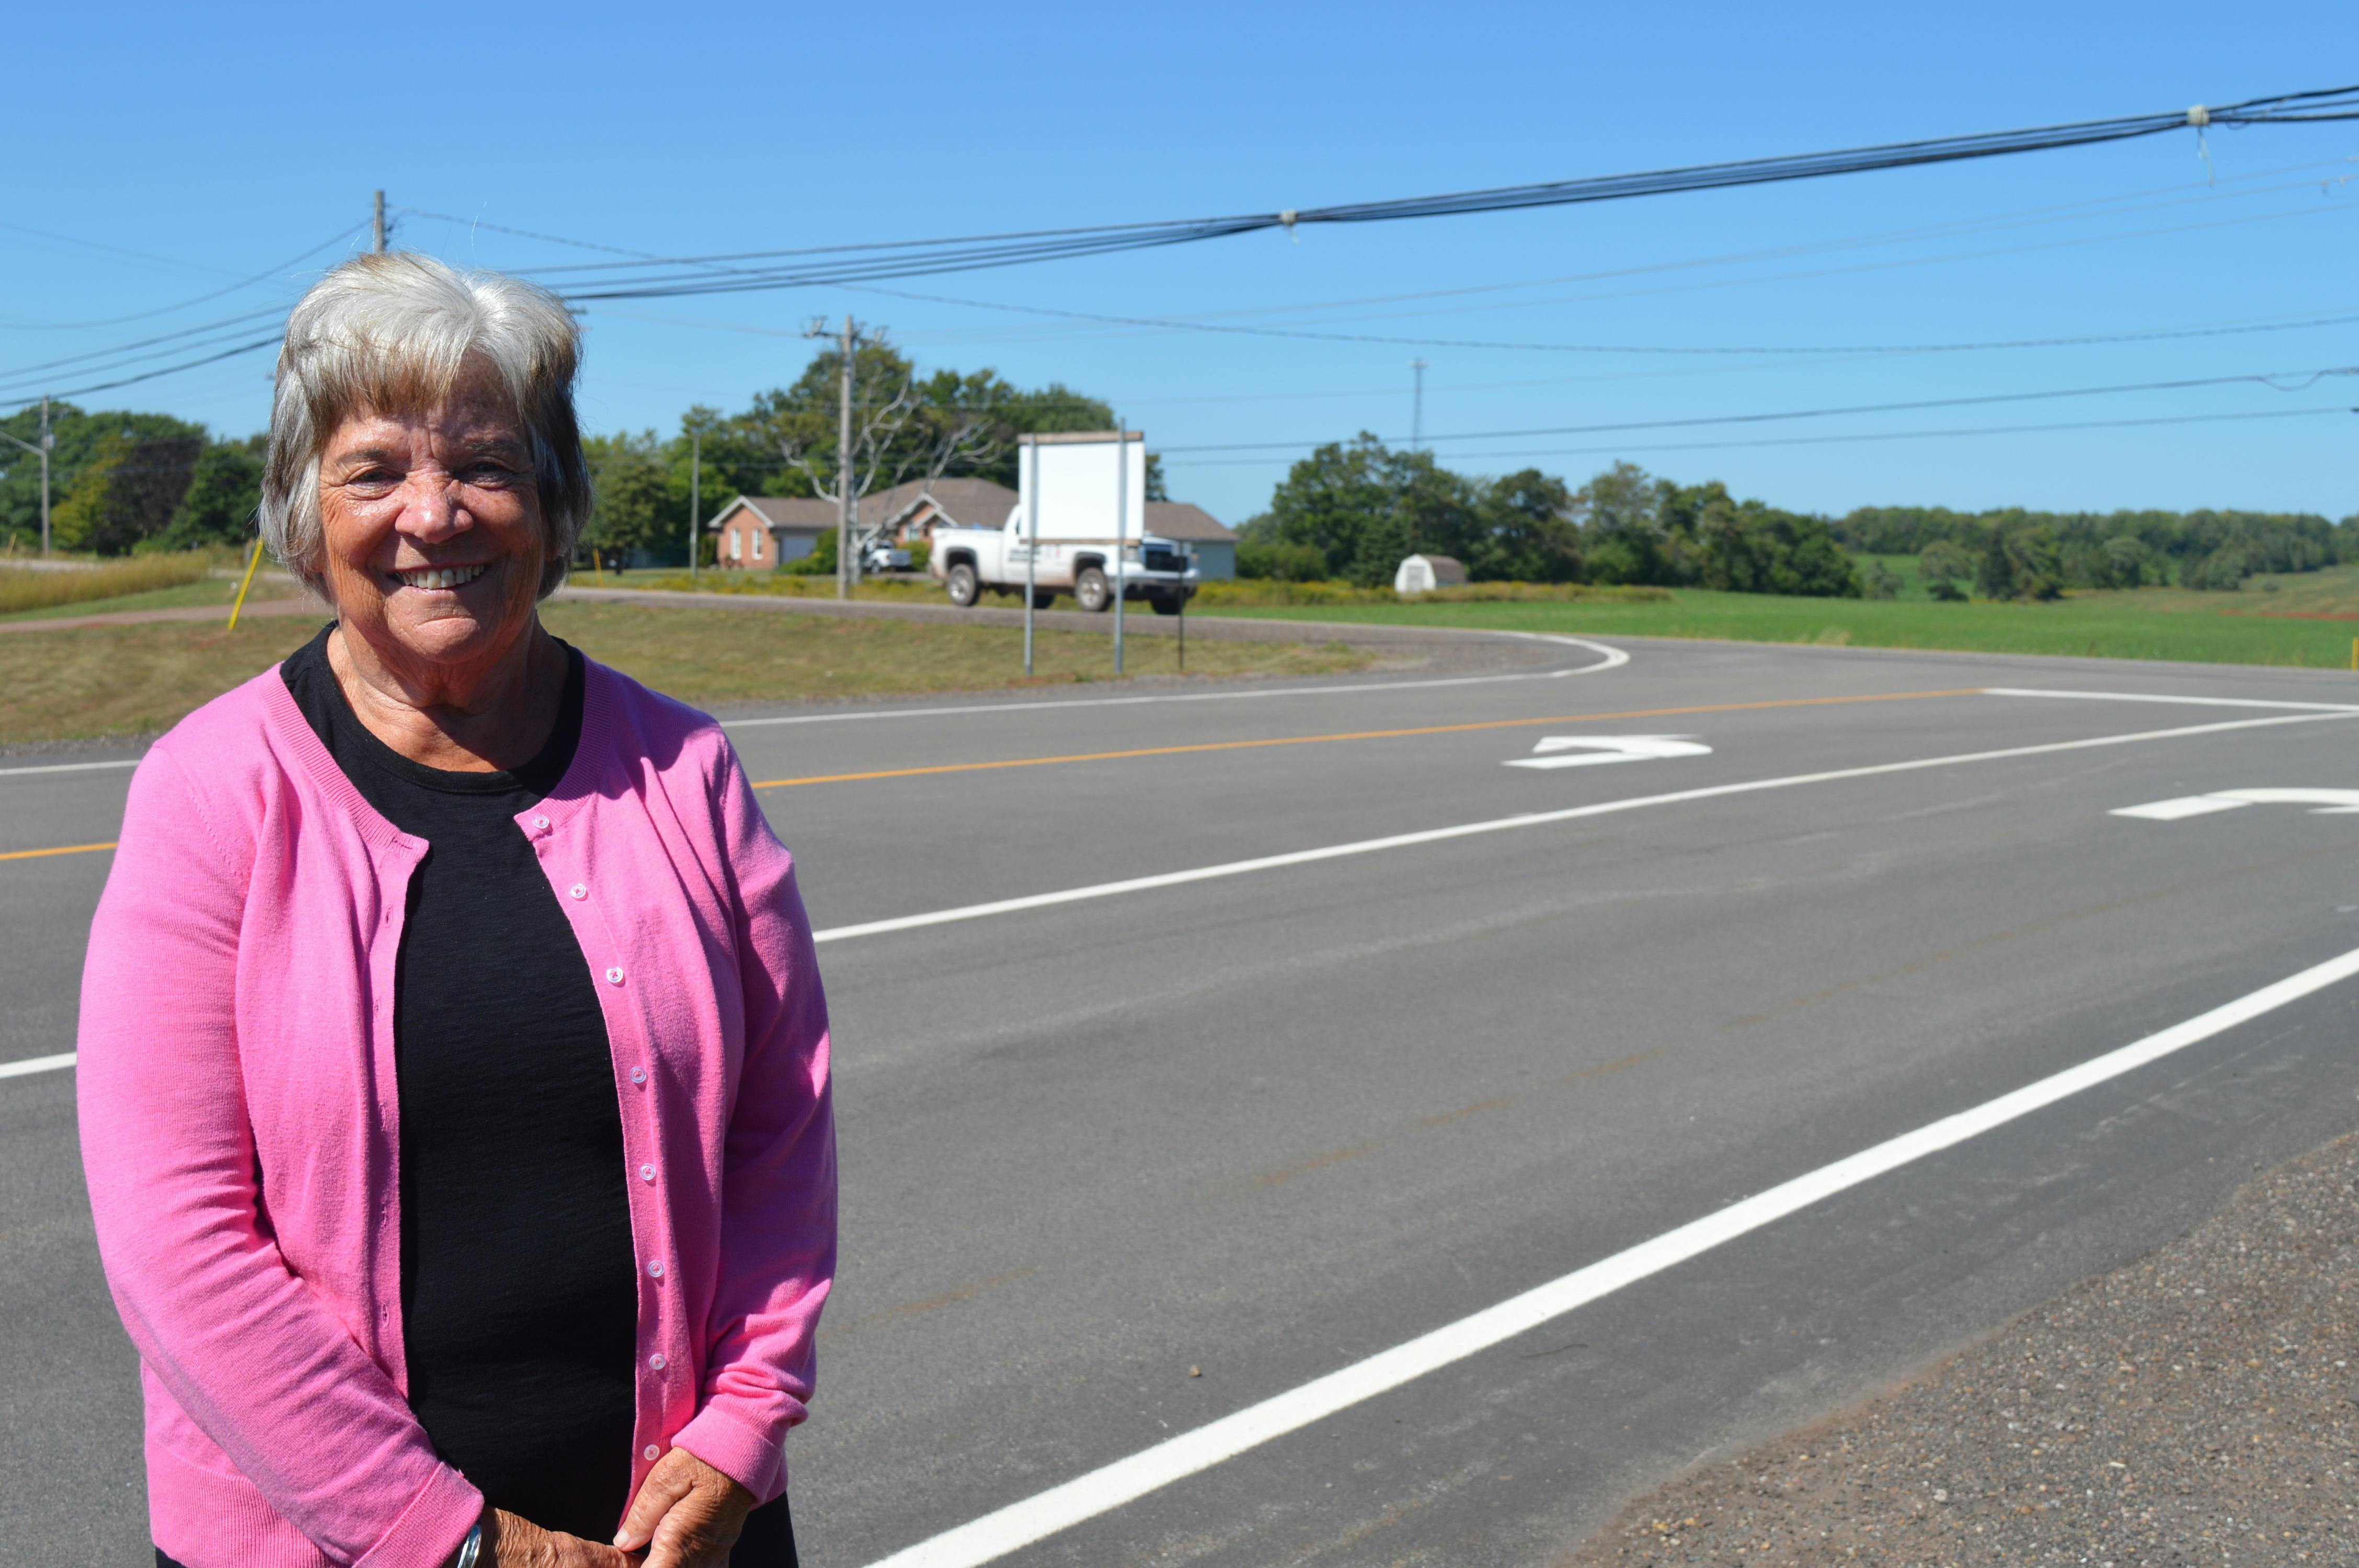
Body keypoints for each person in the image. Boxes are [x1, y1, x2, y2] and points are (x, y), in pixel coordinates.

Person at [76, 252, 836, 1568]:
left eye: (487, 464)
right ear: (306, 517)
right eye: (374, 470)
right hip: (323, 1540)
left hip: (679, 1529)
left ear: (554, 501)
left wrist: (744, 1429)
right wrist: (462, 1543)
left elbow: (780, 1133)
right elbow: (177, 1242)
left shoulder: (687, 772)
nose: (434, 514)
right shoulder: (212, 792)